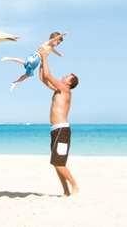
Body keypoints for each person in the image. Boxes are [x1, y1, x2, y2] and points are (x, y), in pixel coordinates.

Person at [39, 52, 79, 196]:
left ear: (69, 83)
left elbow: (48, 75)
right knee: (56, 163)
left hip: (62, 131)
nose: (65, 75)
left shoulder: (64, 89)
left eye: (68, 76)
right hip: (55, 130)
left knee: (58, 163)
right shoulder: (59, 89)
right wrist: (40, 61)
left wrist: (44, 56)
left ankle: (75, 186)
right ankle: (66, 191)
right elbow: (43, 78)